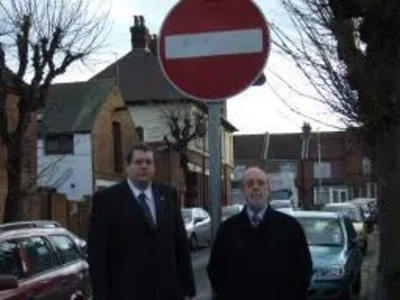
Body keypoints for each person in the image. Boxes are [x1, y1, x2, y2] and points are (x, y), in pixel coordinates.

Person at [87, 143, 196, 300]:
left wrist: (187, 289)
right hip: (126, 292)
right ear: (128, 167)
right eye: (138, 162)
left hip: (168, 292)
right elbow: (97, 254)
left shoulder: (168, 195)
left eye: (148, 162)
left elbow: (180, 245)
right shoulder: (106, 200)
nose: (144, 166)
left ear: (154, 167)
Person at [207, 167, 312, 300]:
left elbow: (303, 271)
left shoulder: (290, 228)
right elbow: (215, 270)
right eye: (250, 184)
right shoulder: (228, 229)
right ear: (243, 190)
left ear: (268, 189)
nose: (256, 187)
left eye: (261, 183)